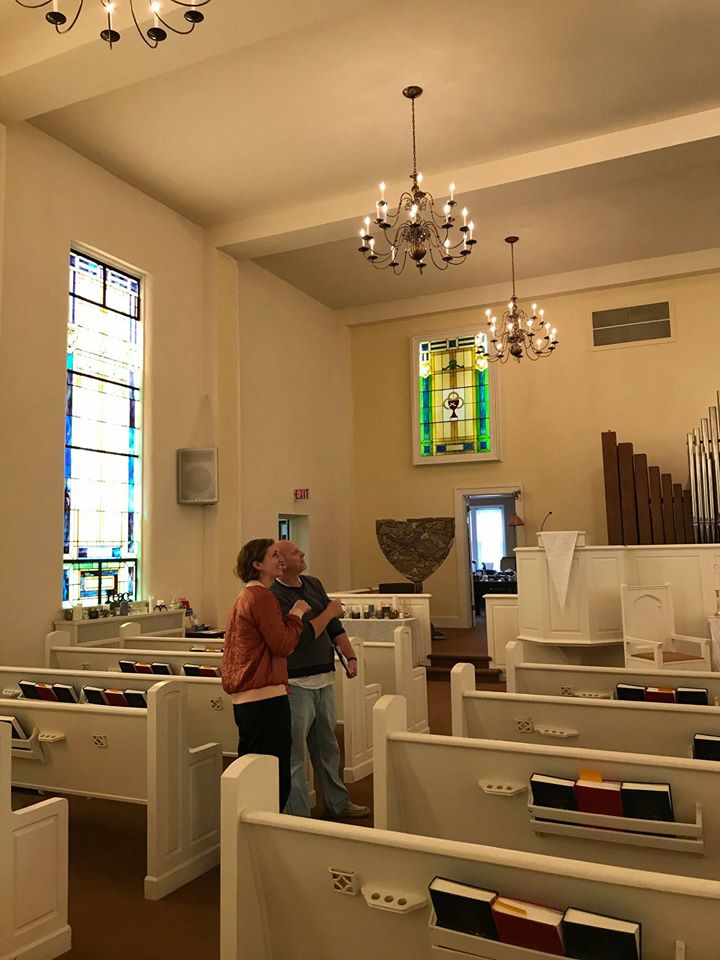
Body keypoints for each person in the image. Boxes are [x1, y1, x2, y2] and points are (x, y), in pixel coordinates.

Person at [271, 540, 371, 819]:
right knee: (294, 752)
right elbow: (300, 637)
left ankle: (337, 802)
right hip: (296, 682)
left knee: (327, 746)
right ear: (281, 561)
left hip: (324, 677)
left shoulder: (313, 584)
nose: (302, 554)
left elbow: (334, 626)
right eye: (295, 552)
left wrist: (350, 656)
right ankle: (298, 814)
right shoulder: (274, 595)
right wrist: (328, 612)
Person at [221, 538, 310, 811]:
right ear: (257, 564)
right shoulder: (260, 596)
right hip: (263, 699)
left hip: (254, 695)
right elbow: (282, 644)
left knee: (257, 767)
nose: (280, 560)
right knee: (272, 772)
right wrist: (296, 614)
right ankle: (267, 832)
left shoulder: (246, 596)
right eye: (274, 556)